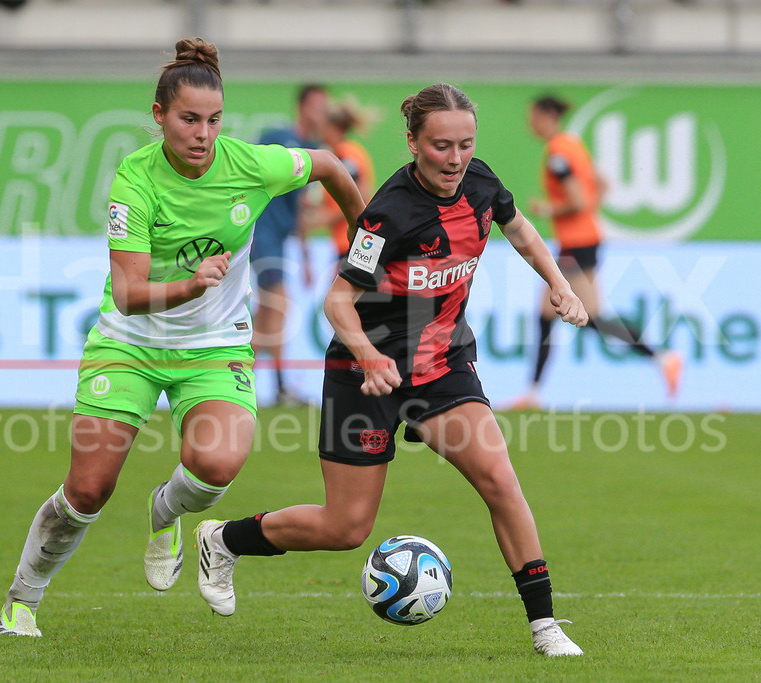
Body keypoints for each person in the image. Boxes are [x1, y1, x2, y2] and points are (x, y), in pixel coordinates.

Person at [193, 84, 589, 657]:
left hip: (443, 366)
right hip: (365, 373)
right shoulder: (387, 215)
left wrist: (558, 282)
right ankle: (224, 539)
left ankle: (544, 625)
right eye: (441, 146)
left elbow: (520, 228)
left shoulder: (481, 182)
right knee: (345, 528)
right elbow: (337, 302)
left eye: (465, 144)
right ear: (412, 143)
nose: (455, 159)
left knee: (500, 480)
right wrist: (369, 354)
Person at [0, 38, 365, 638]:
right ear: (159, 115)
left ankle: (164, 510)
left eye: (214, 120)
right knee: (89, 489)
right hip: (130, 342)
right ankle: (23, 597)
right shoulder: (135, 179)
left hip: (215, 345)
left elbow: (327, 164)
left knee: (218, 464)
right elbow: (128, 292)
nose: (203, 134)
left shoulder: (249, 165)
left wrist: (363, 246)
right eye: (189, 119)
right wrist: (192, 286)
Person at [508, 94, 682, 410]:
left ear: (546, 116)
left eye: (533, 117)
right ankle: (533, 392)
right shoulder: (573, 144)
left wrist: (548, 208)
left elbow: (576, 200)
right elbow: (602, 184)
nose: (530, 124)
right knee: (565, 315)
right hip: (585, 240)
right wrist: (588, 212)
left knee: (572, 316)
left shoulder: (557, 154)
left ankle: (662, 357)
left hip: (576, 243)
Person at [250, 83, 329, 406]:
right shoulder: (277, 138)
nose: (322, 113)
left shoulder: (313, 148)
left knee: (267, 314)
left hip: (280, 241)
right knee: (278, 306)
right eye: (318, 107)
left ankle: (235, 379)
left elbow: (300, 208)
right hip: (261, 234)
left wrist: (306, 257)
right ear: (303, 107)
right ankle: (280, 387)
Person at [310, 96, 376, 259]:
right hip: (348, 243)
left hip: (353, 243)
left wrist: (320, 220)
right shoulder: (342, 153)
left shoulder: (345, 154)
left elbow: (359, 195)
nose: (319, 130)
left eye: (323, 125)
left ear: (335, 128)